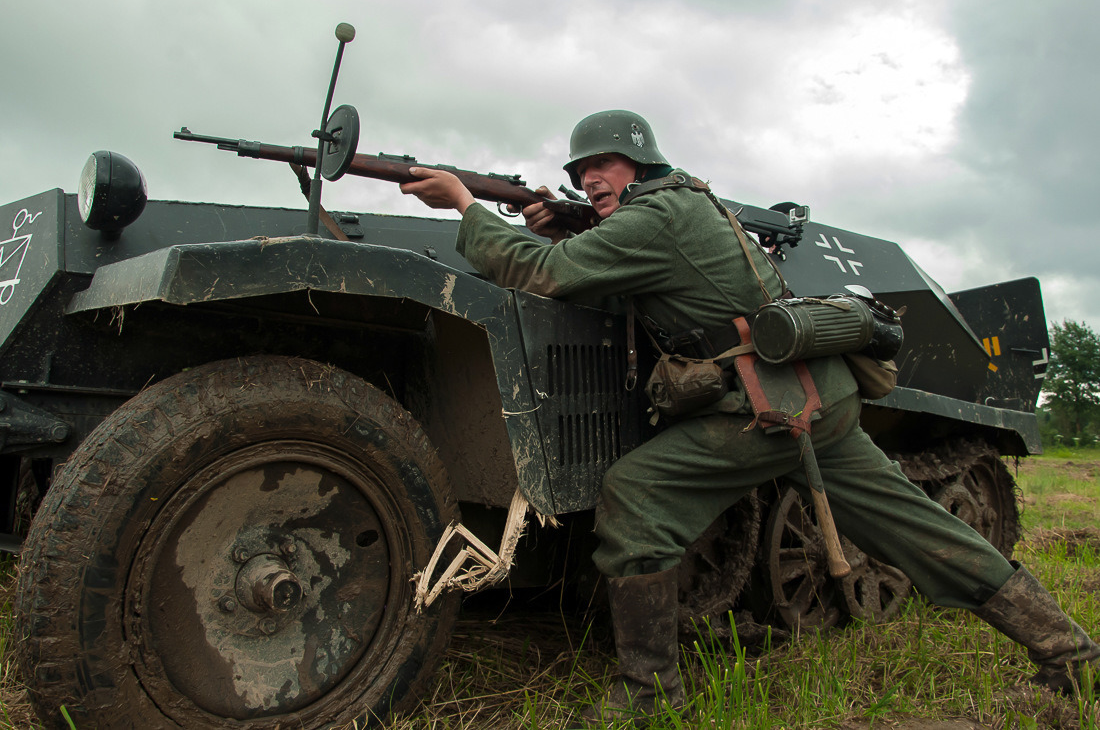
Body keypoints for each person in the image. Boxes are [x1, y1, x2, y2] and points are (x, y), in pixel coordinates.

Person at [401, 110, 1100, 723]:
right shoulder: (677, 206)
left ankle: (650, 695)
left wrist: (465, 203)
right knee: (914, 525)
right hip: (811, 393)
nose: (589, 180)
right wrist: (557, 229)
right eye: (581, 173)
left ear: (640, 164)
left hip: (773, 403)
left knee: (636, 494)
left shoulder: (659, 216)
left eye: (602, 166)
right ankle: (1067, 648)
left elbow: (548, 276)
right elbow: (600, 280)